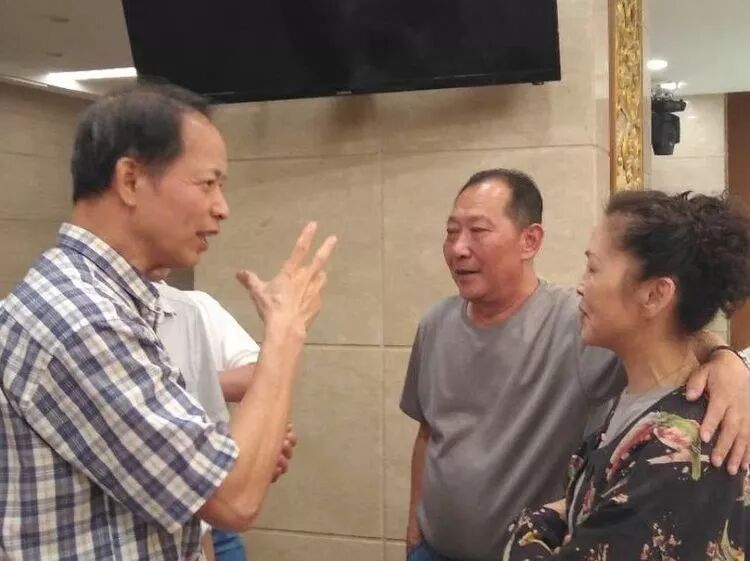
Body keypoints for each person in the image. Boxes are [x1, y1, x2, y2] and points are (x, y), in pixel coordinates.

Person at [0, 83, 336, 561]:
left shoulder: (107, 301)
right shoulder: (83, 319)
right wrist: (285, 331)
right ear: (130, 180)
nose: (222, 207)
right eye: (207, 183)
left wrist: (245, 450)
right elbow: (233, 498)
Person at [400, 169, 750, 561]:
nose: (459, 248)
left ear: (530, 240)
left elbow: (672, 337)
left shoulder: (671, 445)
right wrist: (416, 523)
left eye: (594, 268)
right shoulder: (436, 324)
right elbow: (429, 432)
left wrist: (729, 362)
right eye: (451, 231)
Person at [501, 189, 750, 559]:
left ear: (655, 295)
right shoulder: (639, 399)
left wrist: (525, 530)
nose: (580, 286)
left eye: (594, 268)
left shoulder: (676, 454)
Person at [154, 278, 295, 561]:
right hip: (163, 513)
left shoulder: (192, 307)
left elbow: (260, 376)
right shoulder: (101, 316)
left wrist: (255, 447)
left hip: (212, 521)